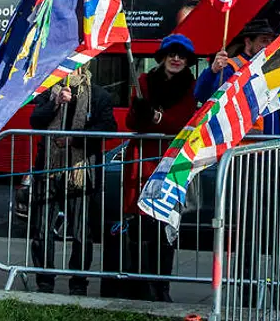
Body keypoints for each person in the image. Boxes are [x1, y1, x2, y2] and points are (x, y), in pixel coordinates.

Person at [119, 35, 200, 301]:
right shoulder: (143, 82)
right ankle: (139, 285)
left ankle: (161, 287)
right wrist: (139, 112)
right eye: (172, 54)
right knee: (140, 227)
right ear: (163, 56)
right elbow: (133, 123)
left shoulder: (191, 86)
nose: (176, 59)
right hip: (142, 162)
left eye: (182, 55)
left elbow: (182, 121)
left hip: (170, 163)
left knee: (166, 226)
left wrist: (155, 117)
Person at [28, 64, 115, 295]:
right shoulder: (49, 90)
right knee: (42, 228)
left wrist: (74, 139)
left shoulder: (98, 94)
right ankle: (44, 281)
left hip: (81, 171)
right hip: (49, 169)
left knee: (80, 231)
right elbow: (35, 120)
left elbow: (108, 126)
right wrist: (55, 103)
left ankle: (78, 282)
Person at [194, 19, 280, 132]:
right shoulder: (231, 68)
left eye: (271, 41)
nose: (269, 46)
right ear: (248, 42)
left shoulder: (273, 69)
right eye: (264, 41)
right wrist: (212, 71)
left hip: (276, 145)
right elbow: (205, 96)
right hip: (248, 146)